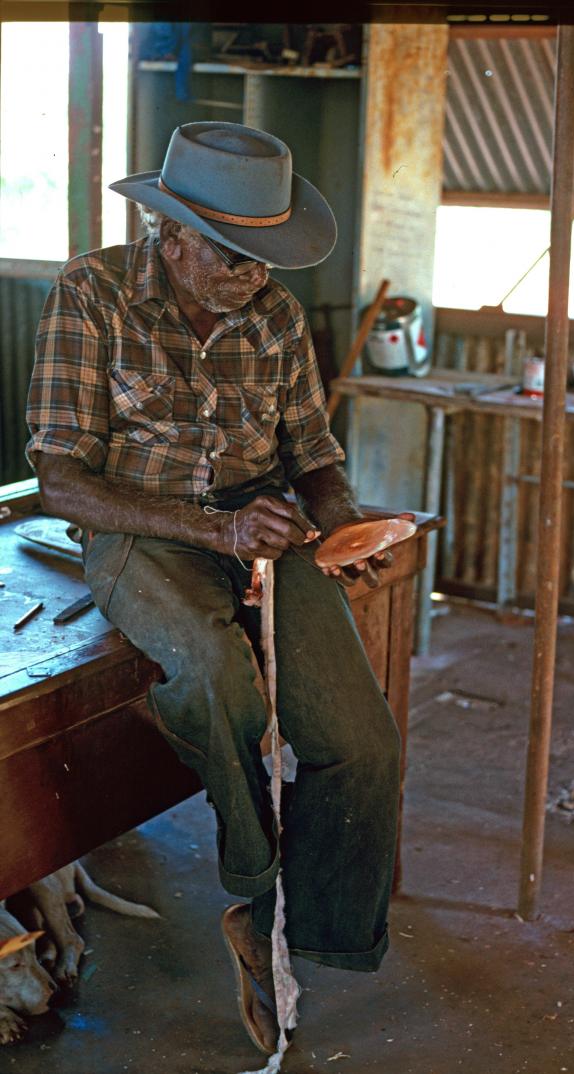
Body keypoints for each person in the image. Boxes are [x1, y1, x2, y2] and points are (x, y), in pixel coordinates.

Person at [26, 122, 403, 1054]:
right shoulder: (94, 292)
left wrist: (341, 523)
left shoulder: (270, 312)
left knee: (362, 745)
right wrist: (214, 531)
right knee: (216, 673)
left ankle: (308, 934)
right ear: (172, 236)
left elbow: (311, 453)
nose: (254, 278)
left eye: (267, 260)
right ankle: (255, 887)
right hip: (137, 526)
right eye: (235, 256)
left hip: (259, 524)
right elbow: (62, 482)